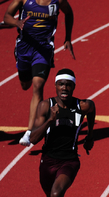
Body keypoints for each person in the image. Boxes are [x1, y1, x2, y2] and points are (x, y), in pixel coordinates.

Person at [29, 68, 95, 197]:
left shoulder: (82, 105)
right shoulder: (45, 106)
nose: (64, 87)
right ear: (55, 86)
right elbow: (33, 138)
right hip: (48, 160)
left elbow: (92, 108)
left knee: (57, 195)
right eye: (61, 84)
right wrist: (50, 119)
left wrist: (91, 134)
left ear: (73, 87)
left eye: (68, 84)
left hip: (70, 160)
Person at [3, 0, 75, 146]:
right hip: (24, 47)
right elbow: (6, 17)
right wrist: (17, 23)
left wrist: (68, 38)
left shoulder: (58, 1)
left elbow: (69, 13)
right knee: (25, 84)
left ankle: (30, 131)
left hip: (43, 49)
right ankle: (42, 119)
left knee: (38, 86)